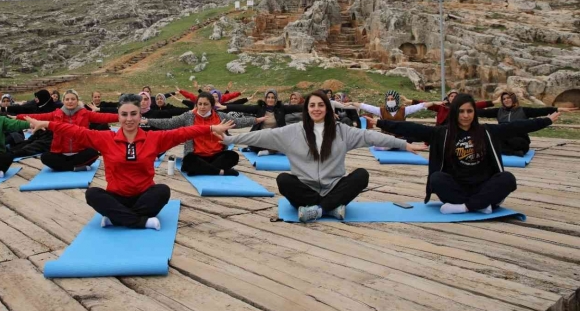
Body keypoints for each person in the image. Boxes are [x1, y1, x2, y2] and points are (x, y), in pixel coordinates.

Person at [26, 94, 234, 230]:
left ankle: (117, 218)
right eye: (124, 114)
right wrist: (46, 123)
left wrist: (209, 128)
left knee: (162, 190)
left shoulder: (154, 139)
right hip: (117, 197)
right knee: (93, 194)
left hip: (144, 197)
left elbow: (181, 133)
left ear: (139, 114)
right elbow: (74, 130)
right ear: (118, 116)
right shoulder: (105, 139)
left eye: (133, 114)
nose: (129, 119)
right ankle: (139, 221)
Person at [221, 90, 426, 222]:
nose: (317, 109)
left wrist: (403, 144)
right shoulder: (292, 131)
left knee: (361, 175)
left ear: (327, 109)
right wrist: (229, 141)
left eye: (321, 105)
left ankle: (317, 210)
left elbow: (371, 137)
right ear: (306, 109)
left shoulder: (342, 131)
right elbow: (262, 135)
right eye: (312, 105)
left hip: (333, 186)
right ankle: (331, 208)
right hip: (305, 188)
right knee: (283, 180)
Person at [372, 94, 559, 214]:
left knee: (508, 179)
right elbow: (412, 127)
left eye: (470, 111)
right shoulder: (443, 133)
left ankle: (465, 207)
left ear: (474, 113)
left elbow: (517, 126)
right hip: (456, 187)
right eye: (461, 111)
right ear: (455, 113)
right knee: (436, 179)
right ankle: (482, 205)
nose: (466, 115)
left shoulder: (486, 131)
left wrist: (546, 120)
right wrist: (380, 123)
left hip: (483, 184)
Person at [145, 92, 261, 176]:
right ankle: (220, 172)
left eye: (205, 104)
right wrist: (148, 121)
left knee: (232, 156)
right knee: (189, 160)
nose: (202, 107)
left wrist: (256, 120)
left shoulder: (220, 116)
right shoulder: (188, 116)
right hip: (197, 156)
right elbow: (170, 123)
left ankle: (202, 170)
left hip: (216, 155)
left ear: (211, 105)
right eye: (199, 104)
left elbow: (238, 122)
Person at [18, 89, 118, 171]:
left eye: (73, 99)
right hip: (60, 153)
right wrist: (17, 117)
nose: (70, 101)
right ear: (63, 101)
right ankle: (74, 167)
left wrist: (122, 117)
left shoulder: (85, 113)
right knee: (45, 157)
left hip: (80, 152)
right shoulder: (55, 114)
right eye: (67, 99)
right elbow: (36, 116)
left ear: (77, 101)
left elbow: (105, 117)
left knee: (93, 153)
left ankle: (65, 167)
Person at [477, 91, 575, 156]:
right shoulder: (498, 111)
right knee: (491, 140)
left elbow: (540, 111)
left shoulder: (523, 110)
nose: (506, 100)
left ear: (514, 99)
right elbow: (479, 111)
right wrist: (491, 102)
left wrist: (557, 109)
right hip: (503, 138)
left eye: (508, 98)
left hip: (518, 139)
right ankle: (512, 152)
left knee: (522, 144)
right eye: (504, 99)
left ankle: (508, 151)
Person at [221, 89, 303, 156]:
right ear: (265, 99)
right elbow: (244, 108)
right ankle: (272, 150)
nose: (270, 100)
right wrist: (226, 107)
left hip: (276, 137)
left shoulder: (281, 109)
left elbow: (296, 107)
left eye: (273, 98)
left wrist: (312, 105)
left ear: (276, 99)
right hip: (262, 136)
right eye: (268, 97)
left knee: (290, 144)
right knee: (254, 146)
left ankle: (270, 151)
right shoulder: (260, 108)